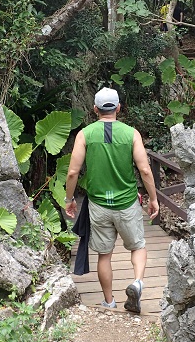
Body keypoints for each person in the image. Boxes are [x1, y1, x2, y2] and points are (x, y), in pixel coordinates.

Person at [65, 87, 159, 313]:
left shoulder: (85, 134)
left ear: (95, 109)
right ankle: (137, 283)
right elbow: (145, 170)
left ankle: (109, 301)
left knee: (104, 255)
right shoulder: (131, 133)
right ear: (118, 108)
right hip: (127, 203)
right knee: (138, 246)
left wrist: (70, 199)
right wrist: (153, 199)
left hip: (98, 206)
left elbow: (72, 172)